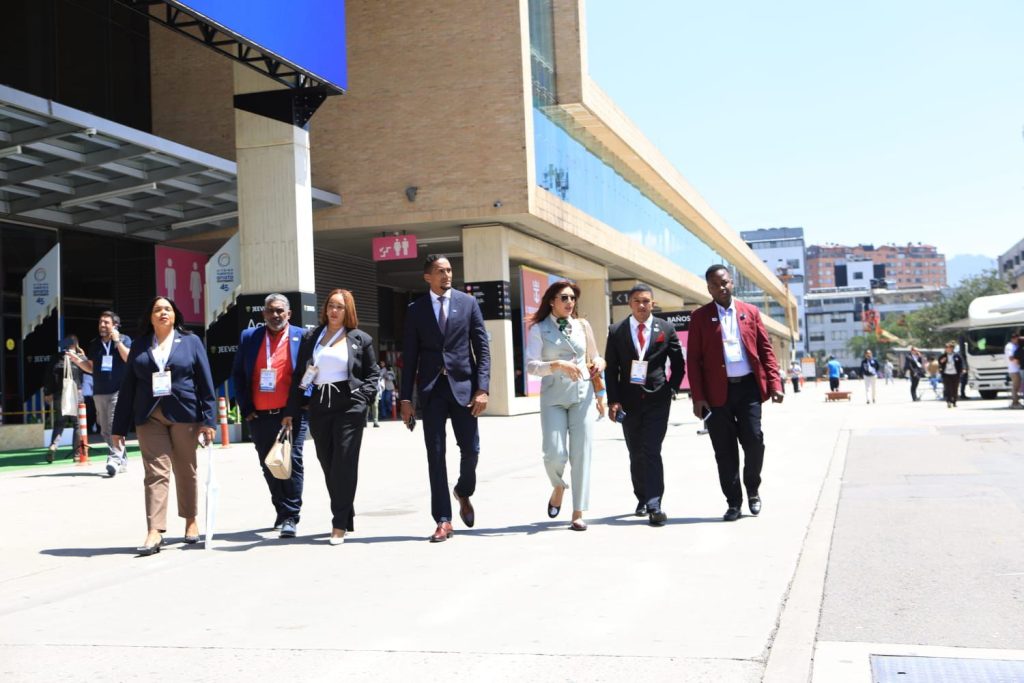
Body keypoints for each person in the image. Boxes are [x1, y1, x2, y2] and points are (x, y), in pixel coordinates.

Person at [111, 297, 217, 556]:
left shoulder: (190, 341)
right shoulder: (139, 345)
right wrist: (119, 427)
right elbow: (128, 387)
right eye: (157, 309)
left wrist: (208, 420)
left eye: (167, 309)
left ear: (175, 315)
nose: (162, 313)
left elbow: (205, 381)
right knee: (155, 472)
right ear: (150, 316)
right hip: (149, 416)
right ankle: (155, 530)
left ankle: (190, 519)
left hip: (184, 413)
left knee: (186, 468)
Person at [400, 254, 490, 543]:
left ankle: (463, 491)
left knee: (471, 450)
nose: (447, 275)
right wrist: (405, 399)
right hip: (432, 390)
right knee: (436, 455)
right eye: (440, 271)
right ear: (428, 276)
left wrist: (482, 388)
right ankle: (443, 519)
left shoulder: (468, 303)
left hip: (464, 388)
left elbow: (482, 349)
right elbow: (410, 357)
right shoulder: (416, 309)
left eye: (449, 270)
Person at [687, 265, 783, 522]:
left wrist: (775, 383)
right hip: (716, 394)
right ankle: (733, 503)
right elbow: (693, 361)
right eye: (716, 285)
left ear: (732, 283)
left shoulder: (750, 312)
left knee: (754, 441)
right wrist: (698, 397)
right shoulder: (700, 317)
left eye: (726, 282)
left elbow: (765, 350)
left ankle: (752, 488)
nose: (723, 287)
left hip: (748, 388)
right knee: (724, 450)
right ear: (709, 288)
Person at [284, 289, 379, 546]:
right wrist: (291, 410)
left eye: (339, 307)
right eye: (330, 306)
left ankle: (338, 523)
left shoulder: (360, 338)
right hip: (319, 405)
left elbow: (373, 374)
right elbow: (300, 375)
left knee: (343, 463)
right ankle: (346, 511)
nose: (333, 311)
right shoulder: (312, 336)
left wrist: (363, 398)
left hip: (349, 406)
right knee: (327, 462)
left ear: (348, 310)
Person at [525, 280, 605, 531]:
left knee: (581, 453)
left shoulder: (582, 325)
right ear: (552, 301)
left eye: (572, 298)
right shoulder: (539, 328)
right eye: (564, 298)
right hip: (553, 397)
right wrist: (557, 365)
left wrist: (599, 365)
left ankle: (578, 511)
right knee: (554, 453)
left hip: (583, 395)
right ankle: (558, 485)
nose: (570, 302)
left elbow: (596, 356)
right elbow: (531, 365)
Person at [604, 283, 684, 526]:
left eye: (646, 301)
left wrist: (672, 388)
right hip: (628, 401)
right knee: (635, 451)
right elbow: (611, 369)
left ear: (653, 303)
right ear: (630, 303)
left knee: (651, 449)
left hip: (658, 399)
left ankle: (654, 504)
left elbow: (678, 363)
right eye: (637, 301)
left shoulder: (666, 328)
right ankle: (642, 496)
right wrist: (613, 400)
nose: (642, 305)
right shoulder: (616, 330)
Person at [231, 294, 308, 539]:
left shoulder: (302, 336)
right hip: (260, 415)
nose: (275, 315)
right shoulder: (250, 337)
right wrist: (246, 408)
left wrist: (296, 409)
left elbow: (309, 375)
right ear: (263, 314)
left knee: (291, 462)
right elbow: (238, 375)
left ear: (289, 313)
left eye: (280, 311)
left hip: (291, 414)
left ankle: (291, 515)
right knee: (270, 464)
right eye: (271, 311)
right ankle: (282, 509)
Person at [67, 311, 132, 477]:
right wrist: (77, 361)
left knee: (113, 425)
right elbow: (91, 368)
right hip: (99, 392)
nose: (102, 325)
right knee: (104, 429)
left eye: (106, 322)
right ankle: (121, 458)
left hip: (118, 390)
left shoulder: (124, 339)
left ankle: (114, 459)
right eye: (100, 322)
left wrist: (117, 341)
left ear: (115, 325)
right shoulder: (95, 344)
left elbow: (129, 359)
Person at [42, 336, 84, 463]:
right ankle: (76, 454)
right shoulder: (79, 358)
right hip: (76, 392)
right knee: (77, 424)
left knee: (59, 422)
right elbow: (87, 371)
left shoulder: (56, 358)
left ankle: (53, 445)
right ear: (75, 344)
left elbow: (49, 376)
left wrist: (48, 392)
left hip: (59, 393)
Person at [937, 341, 964, 408]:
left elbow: (961, 364)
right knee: (947, 388)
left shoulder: (957, 355)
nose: (948, 349)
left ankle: (954, 401)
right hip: (946, 374)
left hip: (955, 374)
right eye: (947, 348)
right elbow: (939, 363)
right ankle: (948, 401)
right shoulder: (943, 356)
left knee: (955, 388)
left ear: (952, 348)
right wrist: (941, 362)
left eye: (949, 348)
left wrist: (962, 370)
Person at [1005, 331, 1020, 408]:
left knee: (1017, 386)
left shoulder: (1015, 345)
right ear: (1012, 339)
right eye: (1016, 338)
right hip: (1013, 370)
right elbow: (1011, 358)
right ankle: (1015, 403)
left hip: (1016, 369)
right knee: (1015, 387)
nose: (1017, 340)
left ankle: (1016, 402)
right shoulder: (1009, 346)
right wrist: (1019, 362)